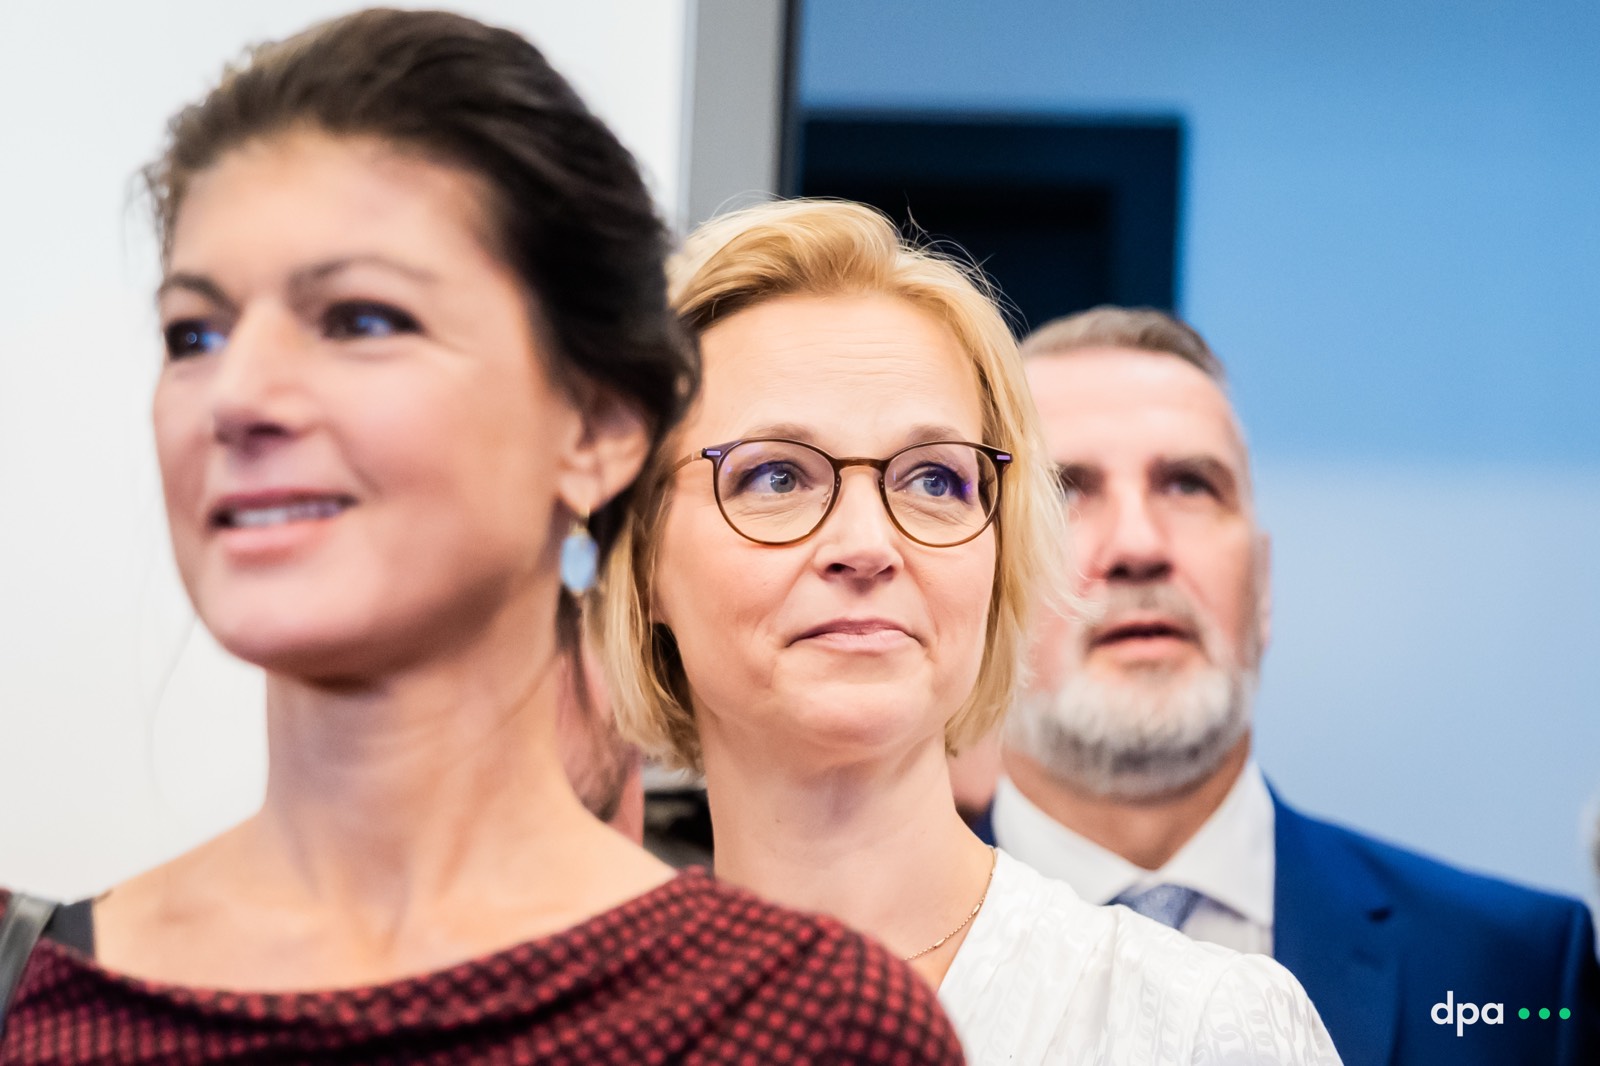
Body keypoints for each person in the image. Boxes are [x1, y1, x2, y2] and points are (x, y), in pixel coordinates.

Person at [0, 13, 965, 1064]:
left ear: (594, 429)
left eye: (361, 320)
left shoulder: (808, 1028)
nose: (236, 396)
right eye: (197, 333)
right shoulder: (39, 1000)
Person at [599, 199, 1341, 1064]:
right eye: (776, 475)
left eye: (934, 481)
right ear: (643, 554)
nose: (867, 545)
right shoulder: (568, 1029)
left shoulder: (1201, 1027)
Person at [978, 305, 1600, 1065]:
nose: (1138, 547)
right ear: (982, 585)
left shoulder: (1517, 970)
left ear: (1263, 585)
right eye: (1065, 491)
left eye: (1188, 486)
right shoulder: (852, 966)